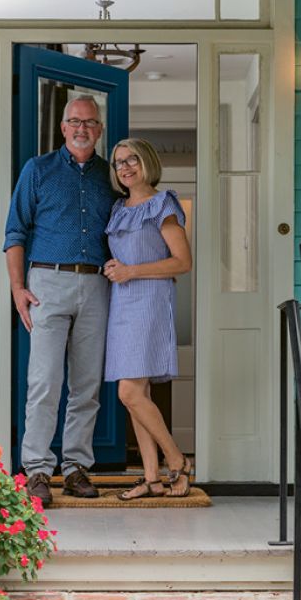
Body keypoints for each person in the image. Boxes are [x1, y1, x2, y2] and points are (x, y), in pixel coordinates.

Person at [4, 94, 118, 507]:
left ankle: (75, 468)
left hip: (97, 284)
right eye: (74, 121)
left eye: (89, 122)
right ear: (63, 127)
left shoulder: (112, 175)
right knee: (45, 382)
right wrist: (18, 289)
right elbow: (15, 233)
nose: (82, 128)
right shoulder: (39, 170)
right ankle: (37, 470)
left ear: (99, 130)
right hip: (47, 282)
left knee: (86, 385)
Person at [103, 138, 193, 499]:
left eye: (132, 160)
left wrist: (131, 271)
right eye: (119, 162)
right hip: (122, 302)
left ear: (148, 162)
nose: (125, 167)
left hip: (150, 299)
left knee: (129, 390)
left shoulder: (162, 204)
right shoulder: (118, 208)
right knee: (136, 393)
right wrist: (116, 269)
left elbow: (182, 262)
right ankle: (152, 478)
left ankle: (178, 462)